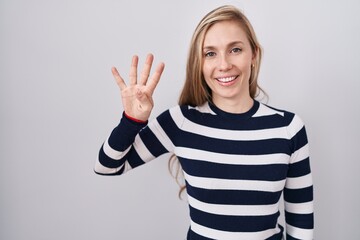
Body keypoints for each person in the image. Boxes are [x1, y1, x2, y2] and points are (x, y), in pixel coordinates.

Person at [95, 5, 314, 240]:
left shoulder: (289, 128)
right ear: (200, 63)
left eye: (235, 49)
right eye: (210, 53)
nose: (224, 64)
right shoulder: (180, 122)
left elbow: (300, 214)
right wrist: (132, 120)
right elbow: (107, 166)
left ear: (254, 55)